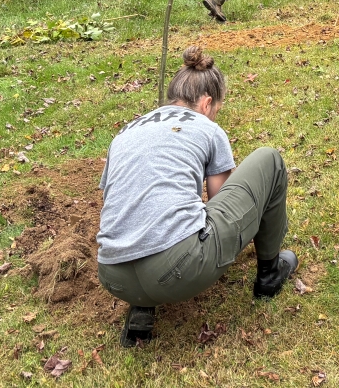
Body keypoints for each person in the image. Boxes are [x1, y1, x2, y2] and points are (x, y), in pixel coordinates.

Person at [96, 46, 298, 346]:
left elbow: (119, 201)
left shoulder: (125, 133)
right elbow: (223, 202)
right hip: (178, 272)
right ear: (206, 103)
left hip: (113, 276)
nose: (215, 114)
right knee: (269, 159)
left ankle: (142, 307)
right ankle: (270, 275)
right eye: (217, 108)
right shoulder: (206, 127)